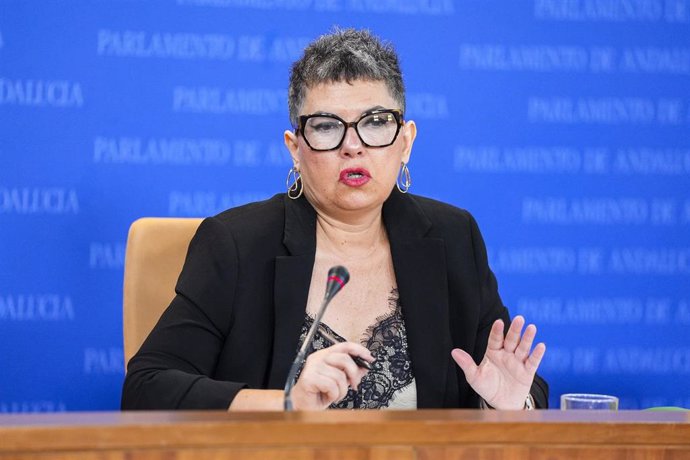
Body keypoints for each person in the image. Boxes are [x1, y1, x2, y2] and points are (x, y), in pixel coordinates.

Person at [121, 28, 548, 411]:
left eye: (376, 123)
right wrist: (285, 404)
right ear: (295, 147)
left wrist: (509, 405)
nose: (353, 146)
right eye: (327, 127)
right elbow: (145, 388)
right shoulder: (235, 244)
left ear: (406, 142)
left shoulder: (453, 238)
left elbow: (509, 377)